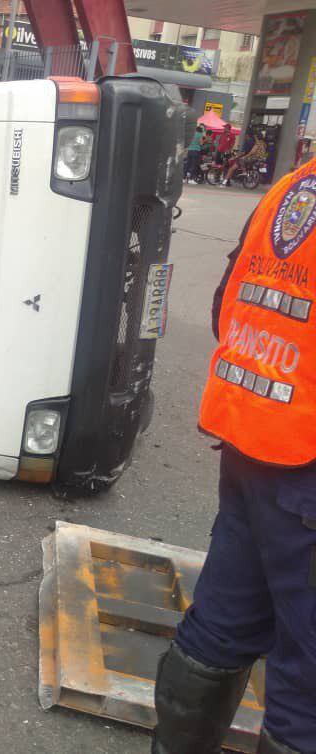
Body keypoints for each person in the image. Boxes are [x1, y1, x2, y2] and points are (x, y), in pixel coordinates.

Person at [151, 160, 316, 754]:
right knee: (308, 687)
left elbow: (228, 304)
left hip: (256, 439)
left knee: (223, 626)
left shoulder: (294, 185)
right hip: (306, 468)